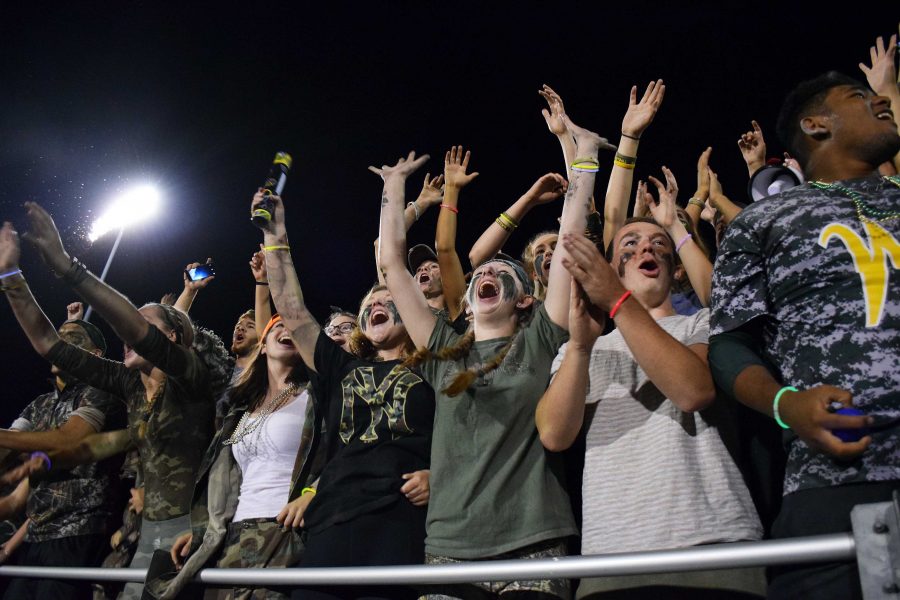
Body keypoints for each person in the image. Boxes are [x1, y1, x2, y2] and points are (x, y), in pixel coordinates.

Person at [377, 111, 604, 599]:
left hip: (534, 542)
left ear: (525, 298)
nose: (489, 273)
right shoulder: (440, 347)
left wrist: (583, 161)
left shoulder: (543, 334)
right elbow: (391, 261)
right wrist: (395, 189)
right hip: (450, 545)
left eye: (505, 273)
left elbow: (568, 242)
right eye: (484, 272)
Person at [708, 70, 900, 599]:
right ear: (815, 125)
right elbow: (728, 343)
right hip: (838, 477)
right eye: (859, 97)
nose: (881, 100)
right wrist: (786, 404)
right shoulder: (762, 222)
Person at [0, 204, 231, 599]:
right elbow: (48, 344)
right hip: (142, 530)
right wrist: (10, 275)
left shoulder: (191, 377)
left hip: (190, 531)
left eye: (144, 322)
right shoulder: (129, 383)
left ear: (172, 337)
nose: (126, 335)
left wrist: (65, 265)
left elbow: (137, 331)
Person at [538, 222, 764, 599]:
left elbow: (693, 391)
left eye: (659, 244)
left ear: (675, 270)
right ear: (610, 268)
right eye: (631, 243)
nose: (646, 248)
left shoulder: (701, 322)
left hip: (712, 543)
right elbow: (553, 434)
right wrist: (579, 346)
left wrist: (618, 303)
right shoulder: (582, 346)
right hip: (611, 558)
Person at [254, 189, 434, 600]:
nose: (377, 303)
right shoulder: (340, 368)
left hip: (400, 518)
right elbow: (292, 308)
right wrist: (275, 231)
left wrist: (439, 477)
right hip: (332, 518)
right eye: (371, 301)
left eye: (390, 299)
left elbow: (463, 434)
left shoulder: (435, 364)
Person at [146, 315, 322, 600]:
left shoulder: (314, 398)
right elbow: (227, 482)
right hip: (231, 535)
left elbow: (335, 454)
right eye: (278, 325)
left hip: (282, 530)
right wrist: (204, 531)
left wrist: (312, 493)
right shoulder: (238, 410)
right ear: (263, 345)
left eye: (294, 328)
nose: (286, 329)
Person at [0, 289, 125, 600]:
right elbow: (10, 445)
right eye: (58, 337)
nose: (59, 344)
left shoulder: (98, 390)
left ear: (94, 356)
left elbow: (70, 438)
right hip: (36, 533)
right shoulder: (39, 404)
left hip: (78, 531)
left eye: (73, 339)